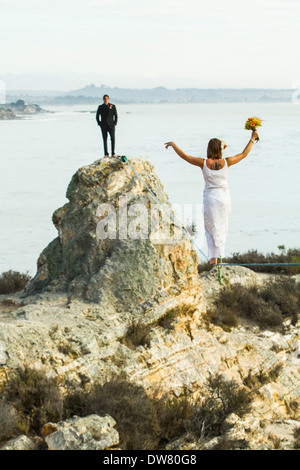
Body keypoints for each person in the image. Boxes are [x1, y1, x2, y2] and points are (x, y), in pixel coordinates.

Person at [164, 129, 259, 266]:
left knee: (209, 227)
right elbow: (244, 154)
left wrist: (174, 145)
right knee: (222, 226)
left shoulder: (203, 163)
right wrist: (252, 138)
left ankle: (213, 257)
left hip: (210, 199)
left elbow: (185, 156)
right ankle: (220, 253)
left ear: (208, 149)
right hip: (224, 198)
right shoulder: (227, 161)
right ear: (221, 149)